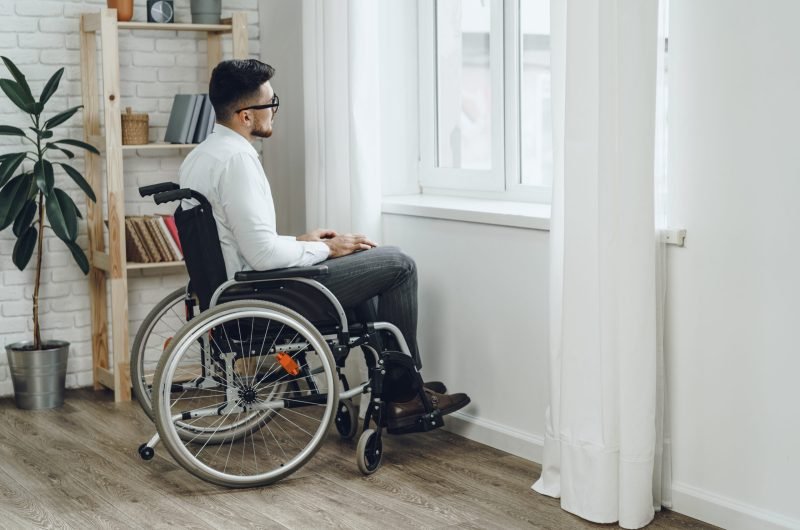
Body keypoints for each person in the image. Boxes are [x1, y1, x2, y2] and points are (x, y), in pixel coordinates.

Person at [179, 59, 469, 423]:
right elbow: (263, 255)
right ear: (246, 116)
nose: (275, 112)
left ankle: (399, 388)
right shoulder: (238, 160)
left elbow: (235, 241)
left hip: (229, 293)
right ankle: (403, 392)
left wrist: (303, 241)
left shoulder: (200, 157)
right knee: (397, 264)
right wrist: (327, 248)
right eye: (271, 105)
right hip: (259, 298)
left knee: (361, 263)